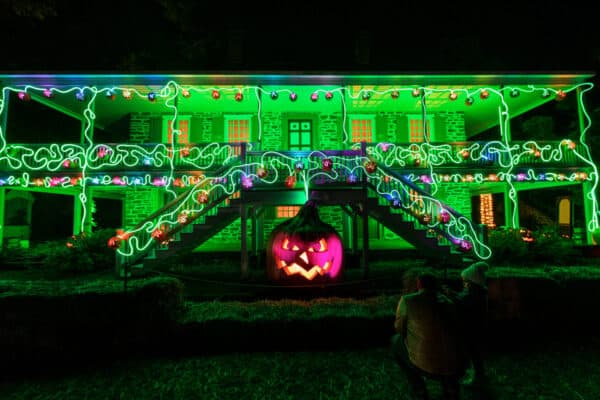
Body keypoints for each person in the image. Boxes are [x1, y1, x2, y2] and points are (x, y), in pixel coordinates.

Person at [391, 270, 467, 400]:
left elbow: (399, 327)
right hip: (453, 365)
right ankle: (451, 389)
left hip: (424, 364)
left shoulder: (408, 301)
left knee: (395, 341)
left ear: (418, 284)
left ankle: (419, 390)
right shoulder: (448, 303)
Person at [449, 261, 490, 387]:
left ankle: (477, 377)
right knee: (473, 352)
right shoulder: (475, 292)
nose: (464, 283)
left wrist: (451, 295)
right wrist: (453, 294)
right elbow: (463, 298)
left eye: (465, 281)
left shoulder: (474, 295)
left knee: (474, 353)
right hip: (475, 327)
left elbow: (463, 303)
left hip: (473, 328)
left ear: (472, 282)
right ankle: (476, 373)